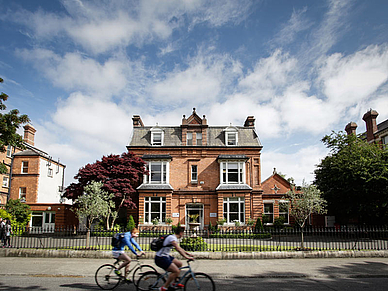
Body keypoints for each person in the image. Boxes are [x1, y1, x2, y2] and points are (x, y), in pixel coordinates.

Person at [154, 226, 194, 291]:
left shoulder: (173, 237)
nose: (183, 235)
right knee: (176, 271)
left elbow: (180, 248)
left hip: (165, 256)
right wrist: (186, 257)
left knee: (179, 264)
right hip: (161, 258)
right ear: (180, 233)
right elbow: (177, 248)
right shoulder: (172, 239)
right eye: (183, 233)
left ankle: (174, 283)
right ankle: (164, 287)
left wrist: (188, 254)